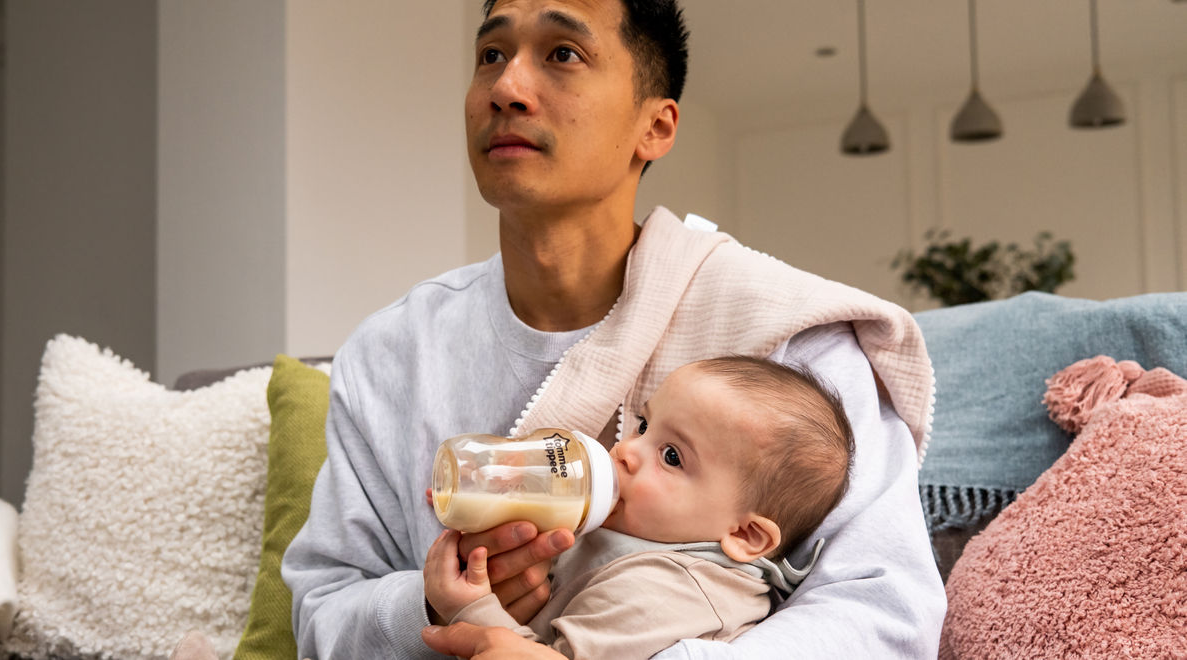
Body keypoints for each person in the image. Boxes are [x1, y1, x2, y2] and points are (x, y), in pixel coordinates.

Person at [282, 0, 947, 658]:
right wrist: (429, 606)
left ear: (654, 127)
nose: (507, 89)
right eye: (491, 55)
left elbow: (883, 614)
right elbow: (322, 609)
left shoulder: (794, 341)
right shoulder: (391, 356)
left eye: (562, 54)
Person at [423, 357, 856, 659]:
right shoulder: (641, 528)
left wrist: (471, 610)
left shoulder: (669, 592)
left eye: (671, 457)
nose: (627, 450)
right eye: (644, 425)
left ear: (744, 536)